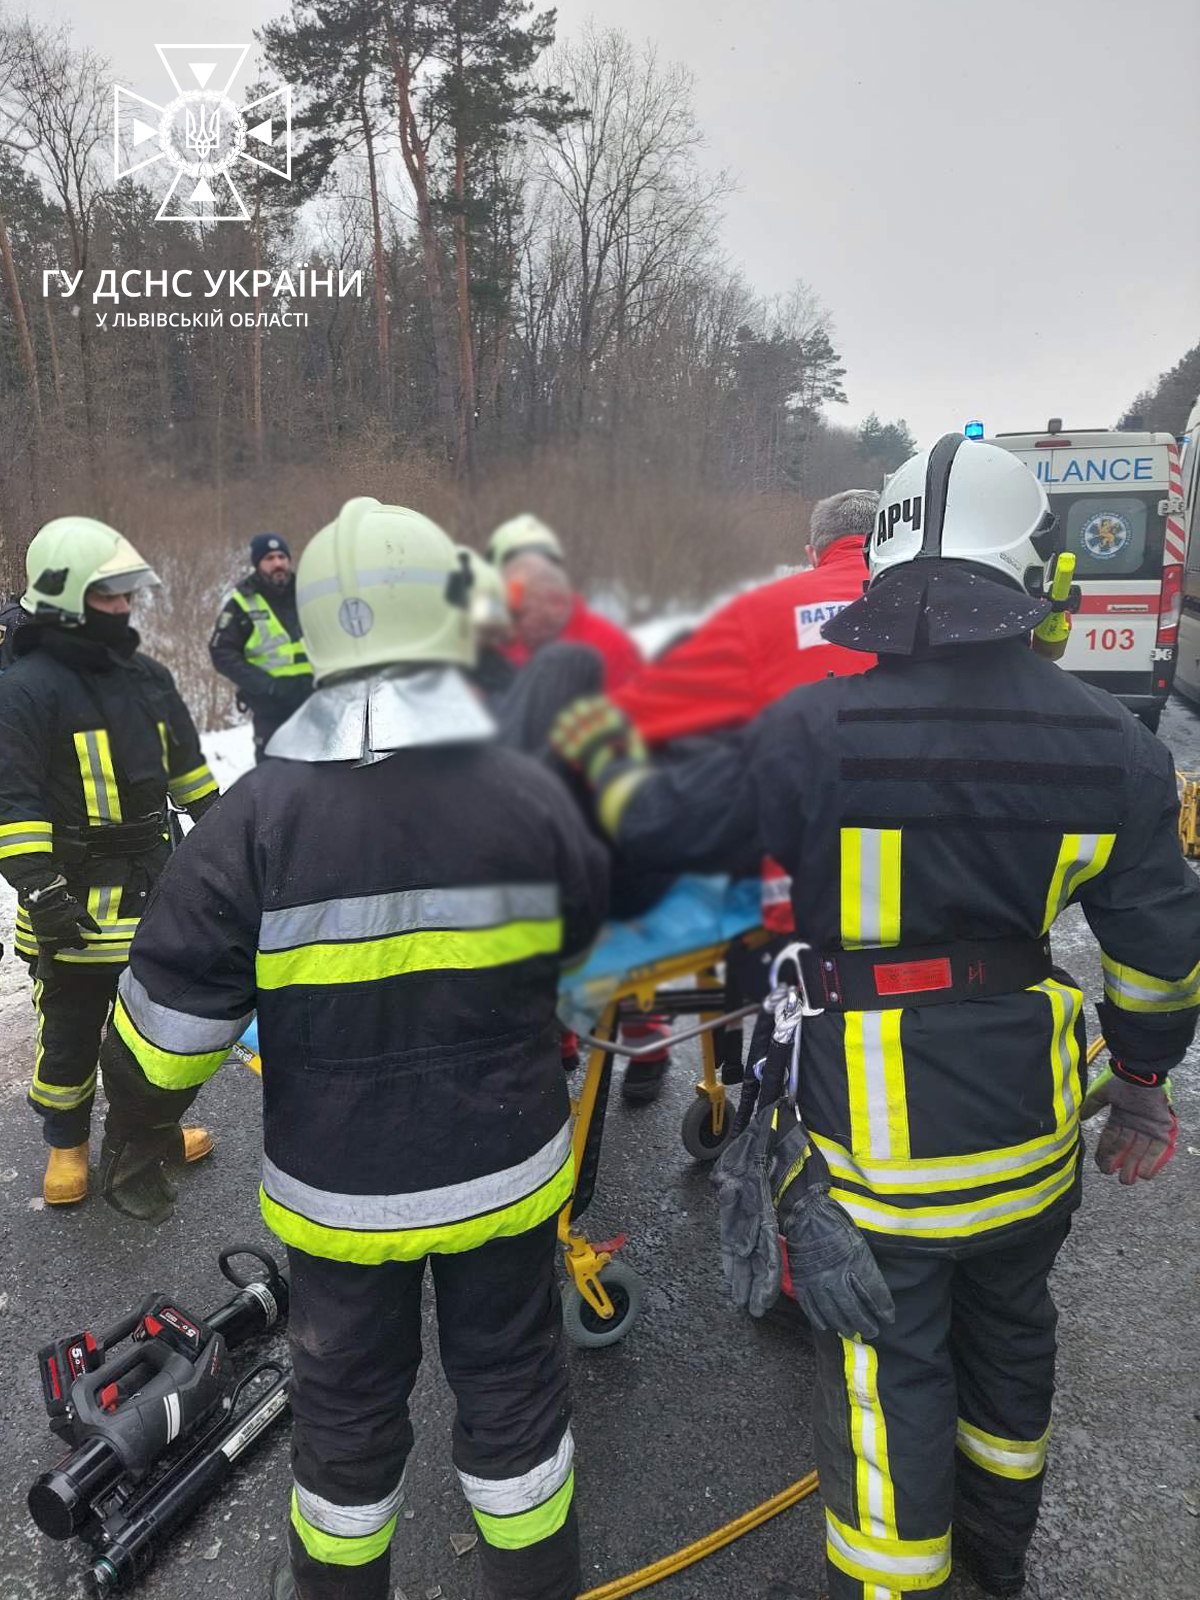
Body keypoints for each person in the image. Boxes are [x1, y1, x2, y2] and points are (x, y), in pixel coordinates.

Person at [552, 434, 1200, 1599]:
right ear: (1029, 570)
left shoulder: (807, 734)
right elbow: (1159, 955)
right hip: (1028, 1150)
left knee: (886, 1383)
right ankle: (995, 1566)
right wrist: (1143, 1085)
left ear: (882, 575)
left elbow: (657, 846)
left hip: (868, 1159)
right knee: (1010, 1357)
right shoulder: (1115, 749)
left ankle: (902, 1584)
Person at [97, 497, 610, 1600]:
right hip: (504, 1176)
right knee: (516, 1408)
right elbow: (596, 953)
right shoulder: (531, 792)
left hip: (340, 1202)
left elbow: (164, 1032)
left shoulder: (254, 819)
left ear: (317, 631)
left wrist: (133, 1136)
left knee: (345, 1425)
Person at [610, 489, 880, 1102]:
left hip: (781, 888)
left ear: (813, 553)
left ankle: (736, 1070)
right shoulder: (929, 609)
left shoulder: (759, 612)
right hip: (921, 880)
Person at [0, 517, 218, 1205]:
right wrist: (39, 887)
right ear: (65, 597)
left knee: (158, 1033)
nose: (125, 606)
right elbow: (13, 796)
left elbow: (190, 776)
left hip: (153, 893)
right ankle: (67, 1145)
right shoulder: (25, 689)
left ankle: (147, 1131)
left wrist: (231, 844)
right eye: (109, 594)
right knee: (67, 1031)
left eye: (128, 593)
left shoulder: (149, 679)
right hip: (68, 901)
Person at [485, 512, 642, 691]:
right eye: (521, 570)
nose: (535, 579)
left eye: (543, 570)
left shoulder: (611, 645)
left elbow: (632, 711)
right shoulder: (492, 641)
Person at [209, 532, 313, 761]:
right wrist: (268, 685)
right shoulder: (242, 604)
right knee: (274, 785)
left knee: (326, 781)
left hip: (317, 704)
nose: (277, 563)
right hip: (272, 709)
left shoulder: (310, 593)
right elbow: (221, 652)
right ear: (257, 564)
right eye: (269, 558)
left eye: (281, 556)